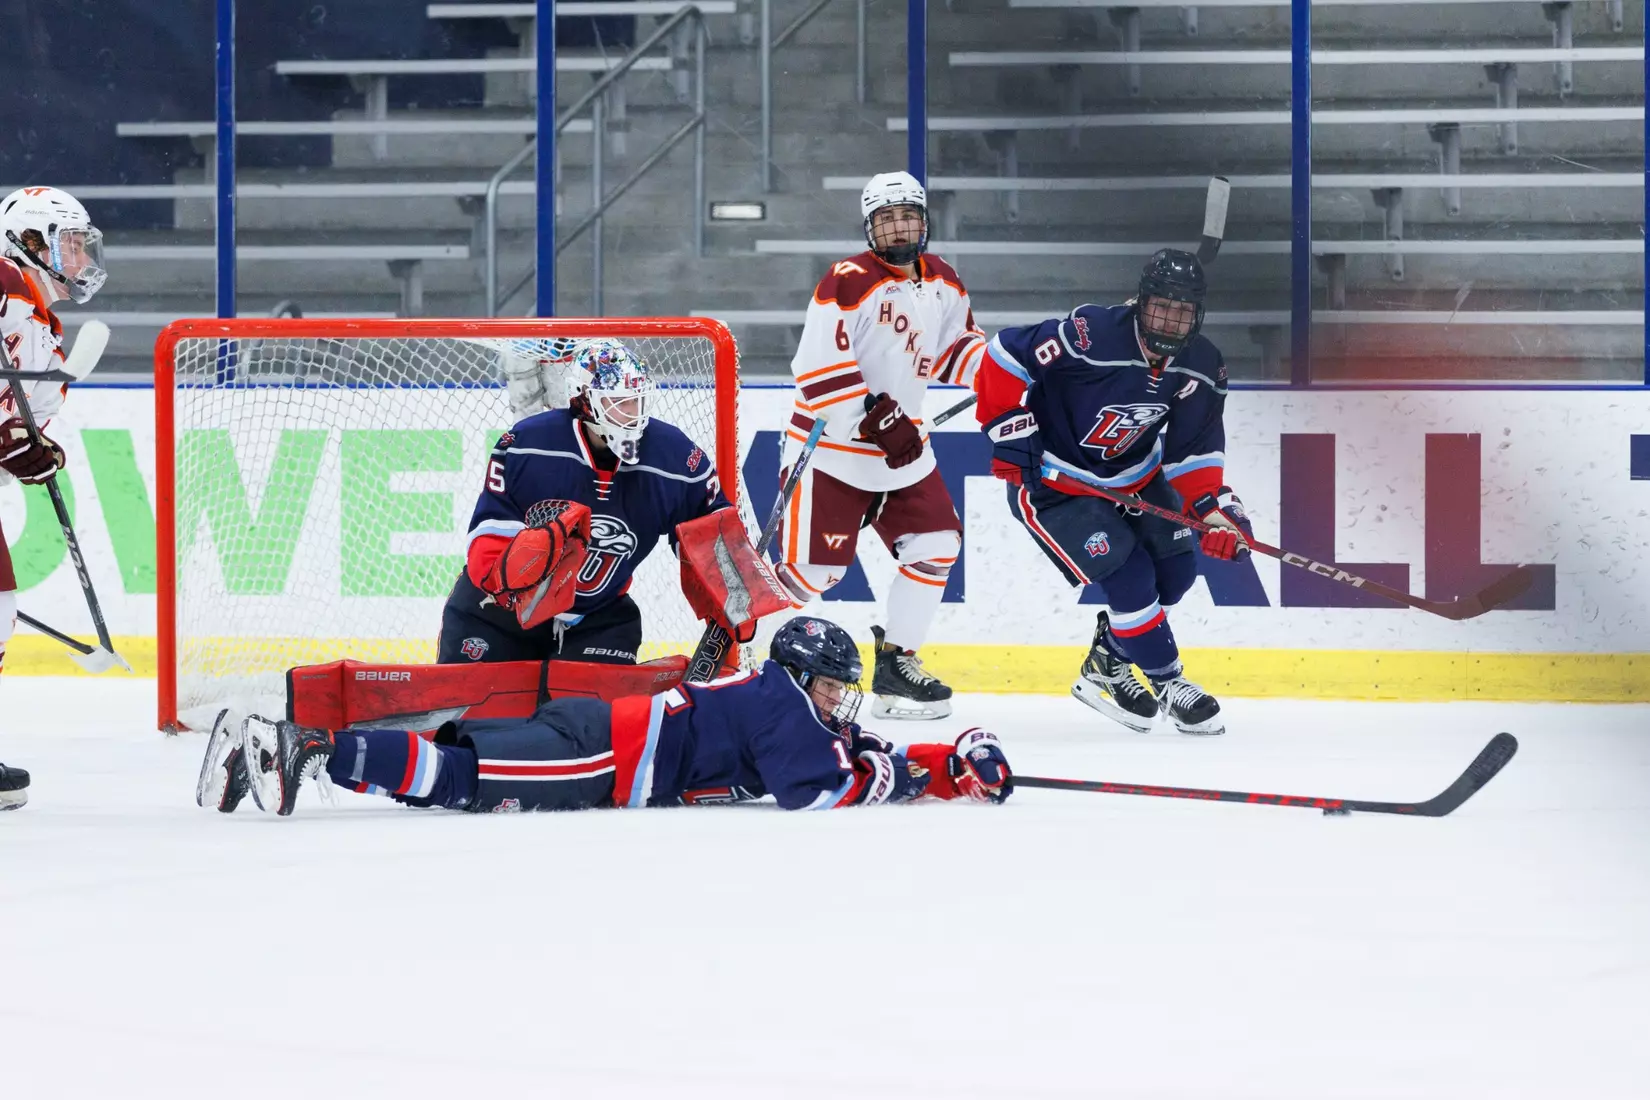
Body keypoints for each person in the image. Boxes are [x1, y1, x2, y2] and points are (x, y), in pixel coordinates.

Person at [197, 615, 1013, 816]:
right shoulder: (784, 707)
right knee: (463, 776)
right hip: (607, 759)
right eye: (832, 688)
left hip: (602, 740)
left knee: (459, 764)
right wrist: (915, 776)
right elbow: (821, 790)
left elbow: (847, 752)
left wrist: (953, 759)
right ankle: (304, 749)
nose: (839, 702)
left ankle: (287, 751)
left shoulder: (783, 703)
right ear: (803, 678)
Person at [975, 249, 1253, 737]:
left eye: (1183, 311)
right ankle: (1169, 682)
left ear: (1199, 315)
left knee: (1179, 571)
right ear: (1142, 303)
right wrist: (1005, 424)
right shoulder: (1090, 335)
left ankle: (1109, 661)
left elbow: (1193, 453)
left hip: (1137, 480)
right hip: (1057, 485)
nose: (1170, 320)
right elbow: (1004, 354)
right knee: (1131, 577)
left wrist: (1214, 513)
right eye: (1161, 307)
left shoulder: (1202, 365)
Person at [776, 171, 988, 721]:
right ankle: (737, 647)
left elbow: (956, 349)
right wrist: (873, 417)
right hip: (832, 451)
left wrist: (1007, 375)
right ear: (869, 227)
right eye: (885, 218)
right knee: (814, 575)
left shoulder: (944, 278)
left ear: (924, 220)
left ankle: (896, 667)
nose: (898, 226)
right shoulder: (846, 279)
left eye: (907, 216)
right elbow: (815, 368)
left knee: (938, 545)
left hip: (904, 455)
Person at [438, 338, 760, 667]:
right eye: (618, 402)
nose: (632, 413)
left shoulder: (676, 459)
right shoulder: (527, 445)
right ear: (583, 400)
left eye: (636, 400)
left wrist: (734, 588)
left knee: (592, 718)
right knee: (471, 714)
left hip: (598, 619)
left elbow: (710, 530)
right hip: (500, 612)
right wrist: (509, 580)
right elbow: (491, 530)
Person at [0, 186, 108, 810]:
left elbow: (21, 426)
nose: (79, 259)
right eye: (68, 244)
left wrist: (32, 450)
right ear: (31, 242)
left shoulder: (45, 327)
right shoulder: (7, 282)